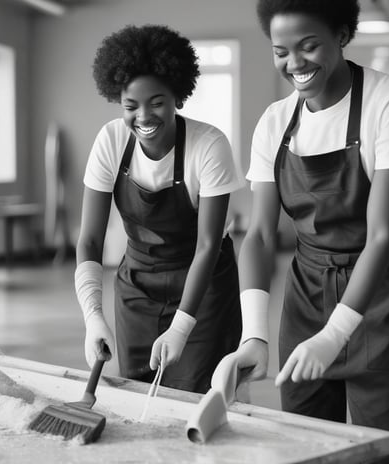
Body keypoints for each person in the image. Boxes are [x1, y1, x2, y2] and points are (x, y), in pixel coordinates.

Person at [225, 1, 389, 462]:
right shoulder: (274, 123)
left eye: (309, 46)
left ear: (342, 36)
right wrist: (254, 335)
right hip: (306, 298)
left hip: (385, 300)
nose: (294, 63)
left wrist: (336, 332)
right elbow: (260, 235)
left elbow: (380, 235)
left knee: (385, 453)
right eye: (281, 51)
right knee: (305, 448)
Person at [75, 24, 244, 394]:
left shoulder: (209, 146)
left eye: (157, 102)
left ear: (177, 98)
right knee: (138, 397)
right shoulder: (111, 141)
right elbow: (89, 239)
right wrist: (93, 316)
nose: (144, 117)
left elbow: (207, 246)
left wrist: (183, 326)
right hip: (136, 287)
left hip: (203, 288)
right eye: (130, 106)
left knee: (197, 397)